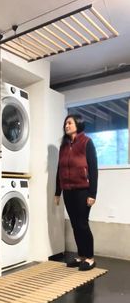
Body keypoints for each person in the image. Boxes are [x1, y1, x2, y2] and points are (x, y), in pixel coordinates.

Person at [54, 114, 98, 271]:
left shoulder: (87, 142)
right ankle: (81, 256)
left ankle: (90, 258)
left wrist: (93, 194)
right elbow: (59, 170)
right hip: (68, 191)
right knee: (74, 224)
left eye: (70, 123)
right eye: (65, 123)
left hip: (83, 190)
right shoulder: (64, 146)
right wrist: (57, 192)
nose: (66, 125)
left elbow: (93, 169)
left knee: (82, 224)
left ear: (78, 124)